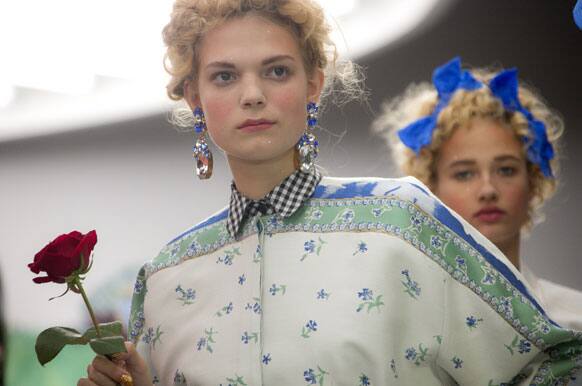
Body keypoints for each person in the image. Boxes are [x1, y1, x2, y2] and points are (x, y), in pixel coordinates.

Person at [78, 3, 582, 386]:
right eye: (225, 76)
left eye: (276, 70)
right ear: (195, 98)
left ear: (313, 84)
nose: (252, 94)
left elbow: (557, 364)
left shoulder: (402, 222)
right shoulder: (167, 275)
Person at [374, 56, 582, 332]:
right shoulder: (402, 328)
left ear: (532, 180)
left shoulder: (575, 322)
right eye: (464, 174)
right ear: (430, 189)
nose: (488, 190)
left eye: (506, 170)